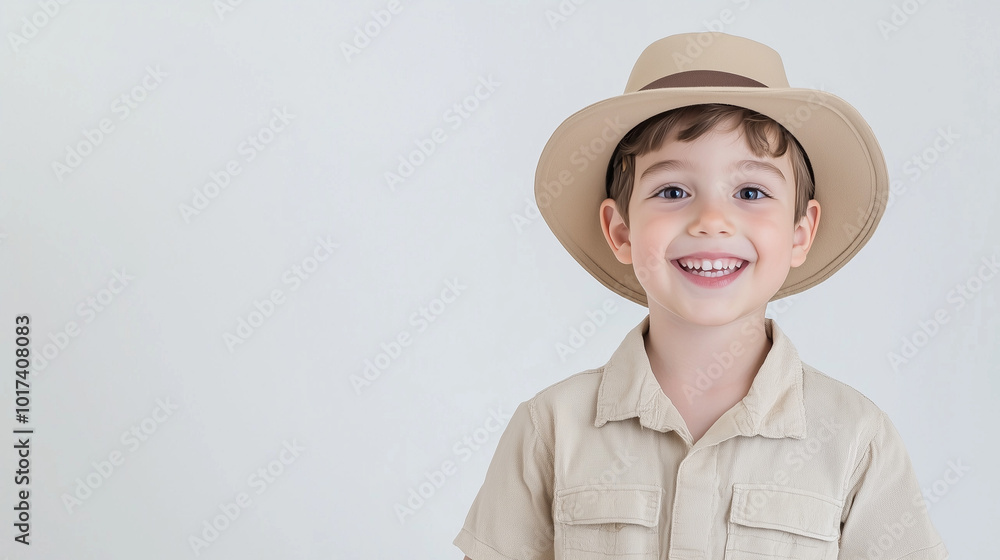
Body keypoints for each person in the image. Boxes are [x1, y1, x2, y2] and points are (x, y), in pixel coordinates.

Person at [453, 32, 949, 559]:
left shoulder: (855, 439)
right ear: (620, 231)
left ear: (801, 232)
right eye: (672, 192)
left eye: (751, 192)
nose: (712, 221)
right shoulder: (550, 430)